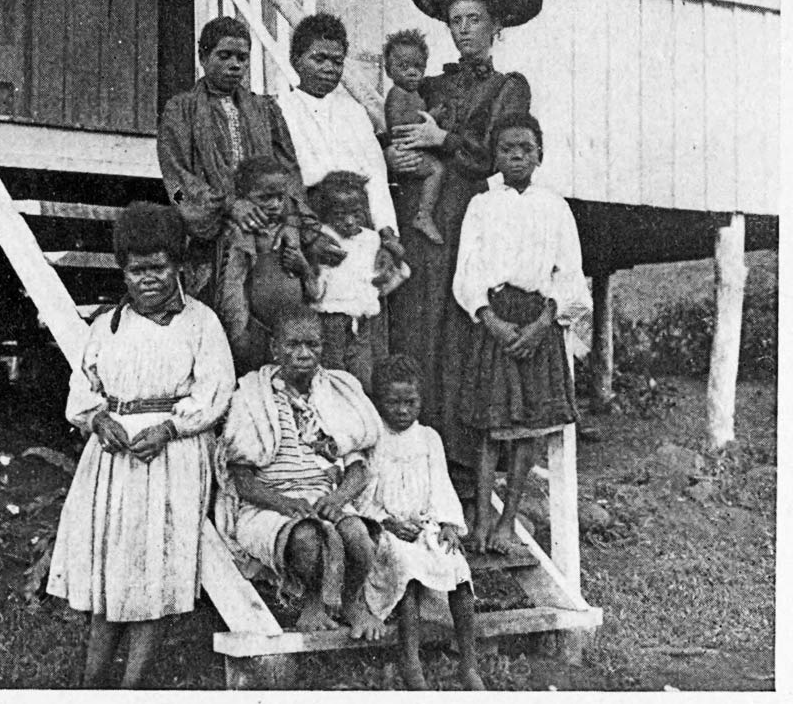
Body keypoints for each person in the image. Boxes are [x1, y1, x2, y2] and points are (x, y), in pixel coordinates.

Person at [47, 202, 236, 688]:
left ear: (178, 266)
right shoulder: (106, 325)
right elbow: (81, 389)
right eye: (137, 270)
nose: (148, 279)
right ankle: (92, 683)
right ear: (123, 272)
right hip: (112, 459)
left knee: (154, 567)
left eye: (159, 267)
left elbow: (215, 390)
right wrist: (97, 419)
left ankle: (132, 686)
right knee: (111, 565)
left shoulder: (200, 323)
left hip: (170, 455)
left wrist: (171, 428)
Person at [385, 0, 541, 495]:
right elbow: (399, 130)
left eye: (474, 20)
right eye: (456, 21)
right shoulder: (428, 85)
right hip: (420, 212)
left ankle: (459, 462)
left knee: (458, 325)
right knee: (415, 320)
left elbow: (495, 153)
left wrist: (443, 138)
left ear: (496, 25)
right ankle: (409, 449)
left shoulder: (508, 86)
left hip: (467, 215)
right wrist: (394, 154)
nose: (465, 30)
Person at [452, 113, 591, 554]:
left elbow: (571, 275)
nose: (516, 156)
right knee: (491, 427)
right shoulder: (482, 205)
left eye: (525, 148)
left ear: (540, 155)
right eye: (507, 149)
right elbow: (466, 271)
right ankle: (481, 521)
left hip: (538, 320)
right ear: (494, 156)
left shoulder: (555, 207)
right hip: (495, 319)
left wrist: (542, 324)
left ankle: (507, 523)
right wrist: (490, 320)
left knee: (530, 428)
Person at [215, 306, 386, 639]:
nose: (304, 354)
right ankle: (312, 602)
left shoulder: (335, 394)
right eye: (293, 345)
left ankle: (352, 602)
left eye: (313, 345)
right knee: (307, 537)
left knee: (358, 535)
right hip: (267, 504)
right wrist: (283, 503)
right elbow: (242, 480)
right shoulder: (253, 396)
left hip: (323, 498)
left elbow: (358, 469)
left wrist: (338, 498)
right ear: (274, 348)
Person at [157, 16, 312, 303]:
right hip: (210, 235)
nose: (235, 65)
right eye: (224, 55)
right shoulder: (180, 111)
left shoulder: (265, 110)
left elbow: (289, 171)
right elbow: (176, 185)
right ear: (203, 57)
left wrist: (291, 222)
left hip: (269, 230)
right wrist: (228, 205)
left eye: (242, 58)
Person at [355, 355, 482, 691]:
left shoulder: (428, 438)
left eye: (410, 402)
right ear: (378, 401)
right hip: (387, 530)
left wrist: (448, 523)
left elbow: (441, 485)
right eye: (393, 403)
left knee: (458, 570)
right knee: (407, 572)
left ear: (421, 400)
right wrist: (386, 522)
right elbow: (363, 493)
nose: (402, 410)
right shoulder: (373, 439)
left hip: (426, 525)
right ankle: (411, 662)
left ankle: (469, 663)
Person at [279, 14, 405, 266]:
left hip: (358, 225)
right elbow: (285, 184)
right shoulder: (281, 110)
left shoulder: (354, 112)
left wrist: (387, 234)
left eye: (337, 61)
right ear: (296, 61)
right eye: (319, 59)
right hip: (310, 225)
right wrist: (310, 236)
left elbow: (376, 177)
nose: (329, 68)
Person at [216, 155, 321, 374]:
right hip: (257, 329)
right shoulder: (243, 235)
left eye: (280, 198)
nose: (275, 205)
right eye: (265, 198)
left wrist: (302, 266)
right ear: (244, 198)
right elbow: (233, 285)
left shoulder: (292, 231)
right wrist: (239, 332)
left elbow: (313, 290)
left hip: (295, 329)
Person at [308, 170, 408, 395]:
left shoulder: (370, 239)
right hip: (331, 320)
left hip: (363, 322)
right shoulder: (324, 239)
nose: (349, 221)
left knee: (364, 376)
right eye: (339, 214)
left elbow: (381, 281)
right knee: (333, 375)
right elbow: (316, 286)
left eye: (356, 213)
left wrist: (395, 263)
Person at [382, 29, 449, 245]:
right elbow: (400, 125)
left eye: (418, 67)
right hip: (405, 151)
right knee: (436, 169)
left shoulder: (413, 93)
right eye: (404, 67)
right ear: (389, 71)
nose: (412, 72)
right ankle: (424, 216)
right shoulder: (397, 94)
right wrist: (431, 117)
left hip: (412, 149)